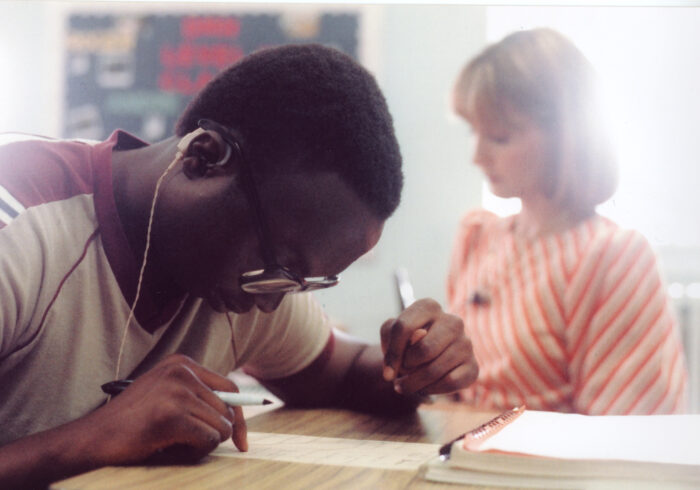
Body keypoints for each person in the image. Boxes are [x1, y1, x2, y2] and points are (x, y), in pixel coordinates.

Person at [0, 44, 478, 488]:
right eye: (280, 265)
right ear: (203, 159)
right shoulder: (19, 228)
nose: (270, 303)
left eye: (302, 282)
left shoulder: (247, 277)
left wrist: (418, 362)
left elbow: (344, 371)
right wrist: (93, 438)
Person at [448, 28, 687, 415]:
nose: (477, 156)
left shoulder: (612, 257)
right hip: (463, 458)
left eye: (500, 136)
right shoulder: (477, 236)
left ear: (566, 135)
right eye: (474, 131)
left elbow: (624, 434)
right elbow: (453, 394)